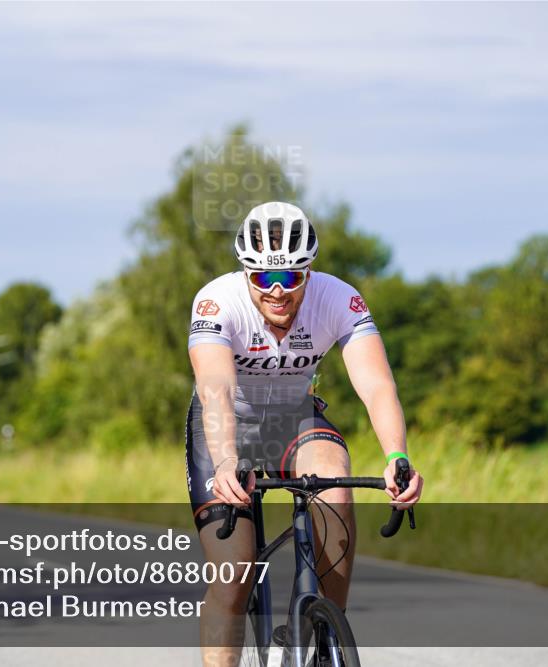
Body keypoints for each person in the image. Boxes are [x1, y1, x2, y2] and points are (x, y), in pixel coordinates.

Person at [186, 201, 424, 665]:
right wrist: (227, 459)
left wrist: (397, 455)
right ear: (245, 275)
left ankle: (325, 632)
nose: (277, 291)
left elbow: (376, 385)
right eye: (262, 279)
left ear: (309, 272)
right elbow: (215, 390)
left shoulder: (339, 299)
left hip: (294, 417)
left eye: (291, 278)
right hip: (224, 425)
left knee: (334, 488)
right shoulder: (216, 301)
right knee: (233, 574)